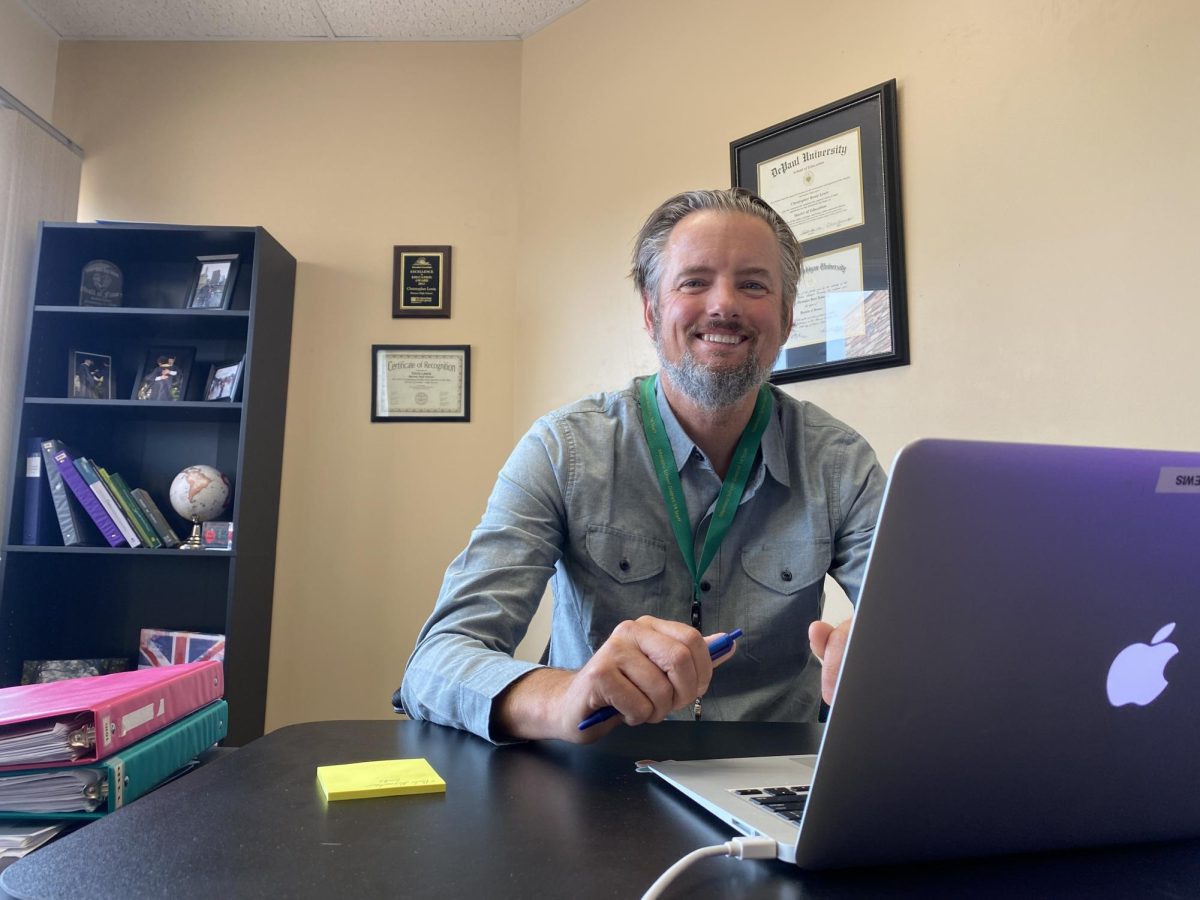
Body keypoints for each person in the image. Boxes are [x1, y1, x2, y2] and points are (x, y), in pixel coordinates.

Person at [398, 188, 886, 744]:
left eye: (753, 284)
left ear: (786, 317)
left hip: (776, 786)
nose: (723, 304)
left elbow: (926, 626)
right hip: (597, 779)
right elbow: (435, 663)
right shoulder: (564, 448)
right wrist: (563, 696)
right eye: (694, 281)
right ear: (652, 312)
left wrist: (891, 651)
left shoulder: (841, 464)